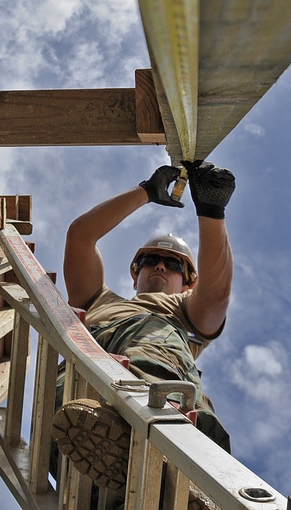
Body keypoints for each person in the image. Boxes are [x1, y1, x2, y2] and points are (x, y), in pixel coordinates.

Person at [51, 160, 236, 495]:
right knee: (77, 407)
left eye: (174, 264)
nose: (160, 265)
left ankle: (177, 478)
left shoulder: (182, 312)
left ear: (187, 284)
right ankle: (166, 483)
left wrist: (211, 212)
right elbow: (80, 237)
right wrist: (147, 192)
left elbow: (215, 295)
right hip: (85, 396)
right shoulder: (98, 302)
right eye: (151, 261)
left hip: (151, 381)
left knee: (153, 346)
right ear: (136, 274)